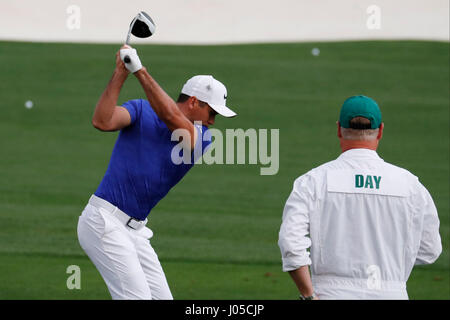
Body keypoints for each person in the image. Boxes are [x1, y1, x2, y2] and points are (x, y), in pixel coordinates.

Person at [77, 45, 237, 299]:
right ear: (195, 102)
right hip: (104, 221)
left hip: (136, 231)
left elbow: (171, 116)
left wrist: (140, 71)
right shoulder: (140, 110)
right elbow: (102, 121)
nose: (213, 121)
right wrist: (121, 72)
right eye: (212, 112)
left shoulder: (202, 138)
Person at [278, 95, 442, 300]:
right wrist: (389, 261)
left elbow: (291, 243)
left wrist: (309, 295)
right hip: (391, 293)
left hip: (331, 294)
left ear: (339, 129)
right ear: (380, 131)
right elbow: (430, 250)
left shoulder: (313, 181)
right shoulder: (410, 186)